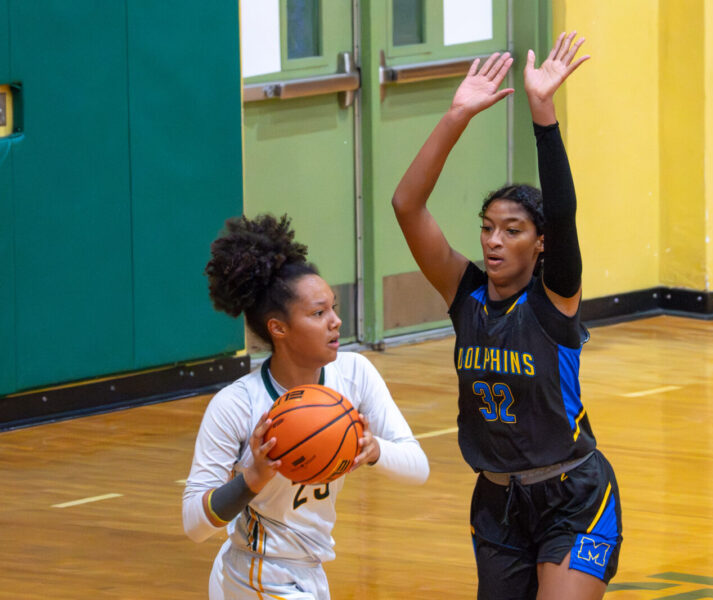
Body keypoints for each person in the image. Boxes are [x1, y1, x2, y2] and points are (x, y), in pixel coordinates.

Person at [392, 32, 622, 599]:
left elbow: (563, 212)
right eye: (487, 228)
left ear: (541, 243)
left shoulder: (554, 299)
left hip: (574, 497)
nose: (494, 241)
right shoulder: (464, 293)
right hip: (497, 501)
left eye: (512, 230)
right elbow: (406, 206)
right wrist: (456, 116)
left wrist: (542, 113)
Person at [182, 214, 429, 600]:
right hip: (256, 573)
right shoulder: (235, 404)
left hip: (308, 571)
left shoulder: (354, 373)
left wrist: (374, 449)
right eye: (318, 313)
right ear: (278, 328)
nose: (336, 321)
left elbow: (418, 467)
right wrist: (252, 478)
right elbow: (195, 525)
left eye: (333, 307)